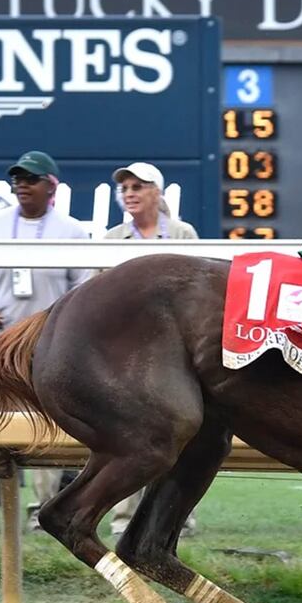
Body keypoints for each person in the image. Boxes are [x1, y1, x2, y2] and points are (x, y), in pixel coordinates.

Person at [0, 151, 92, 531]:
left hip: (47, 345)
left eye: (31, 179)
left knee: (47, 426)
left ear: (51, 186)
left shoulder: (72, 231)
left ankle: (43, 512)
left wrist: (57, 322)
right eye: (17, 179)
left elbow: (84, 287)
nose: (22, 185)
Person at [102, 161, 199, 538]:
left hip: (174, 352)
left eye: (138, 186)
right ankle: (124, 519)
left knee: (178, 432)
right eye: (125, 188)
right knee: (127, 434)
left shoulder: (183, 234)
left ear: (156, 192)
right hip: (127, 352)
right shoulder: (111, 239)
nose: (129, 193)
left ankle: (176, 518)